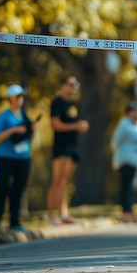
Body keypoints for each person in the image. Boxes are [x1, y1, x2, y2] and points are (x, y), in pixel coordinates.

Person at [0, 84, 38, 232]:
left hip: (23, 158)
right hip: (5, 158)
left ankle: (15, 222)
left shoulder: (24, 115)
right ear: (10, 98)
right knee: (3, 188)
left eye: (21, 97)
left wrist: (31, 130)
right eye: (17, 97)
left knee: (18, 189)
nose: (20, 100)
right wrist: (15, 129)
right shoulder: (4, 116)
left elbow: (30, 139)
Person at [47, 75, 88, 225]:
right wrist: (75, 126)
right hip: (61, 146)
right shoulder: (57, 103)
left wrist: (81, 126)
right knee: (57, 180)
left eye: (75, 84)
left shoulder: (73, 104)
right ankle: (50, 214)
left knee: (65, 182)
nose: (73, 87)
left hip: (72, 147)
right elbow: (55, 124)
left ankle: (63, 213)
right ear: (63, 85)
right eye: (70, 84)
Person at [111, 102, 137, 223]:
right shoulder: (124, 124)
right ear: (129, 112)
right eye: (135, 111)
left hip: (136, 161)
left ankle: (130, 211)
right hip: (126, 160)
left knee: (133, 188)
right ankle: (125, 212)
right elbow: (115, 141)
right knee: (127, 187)